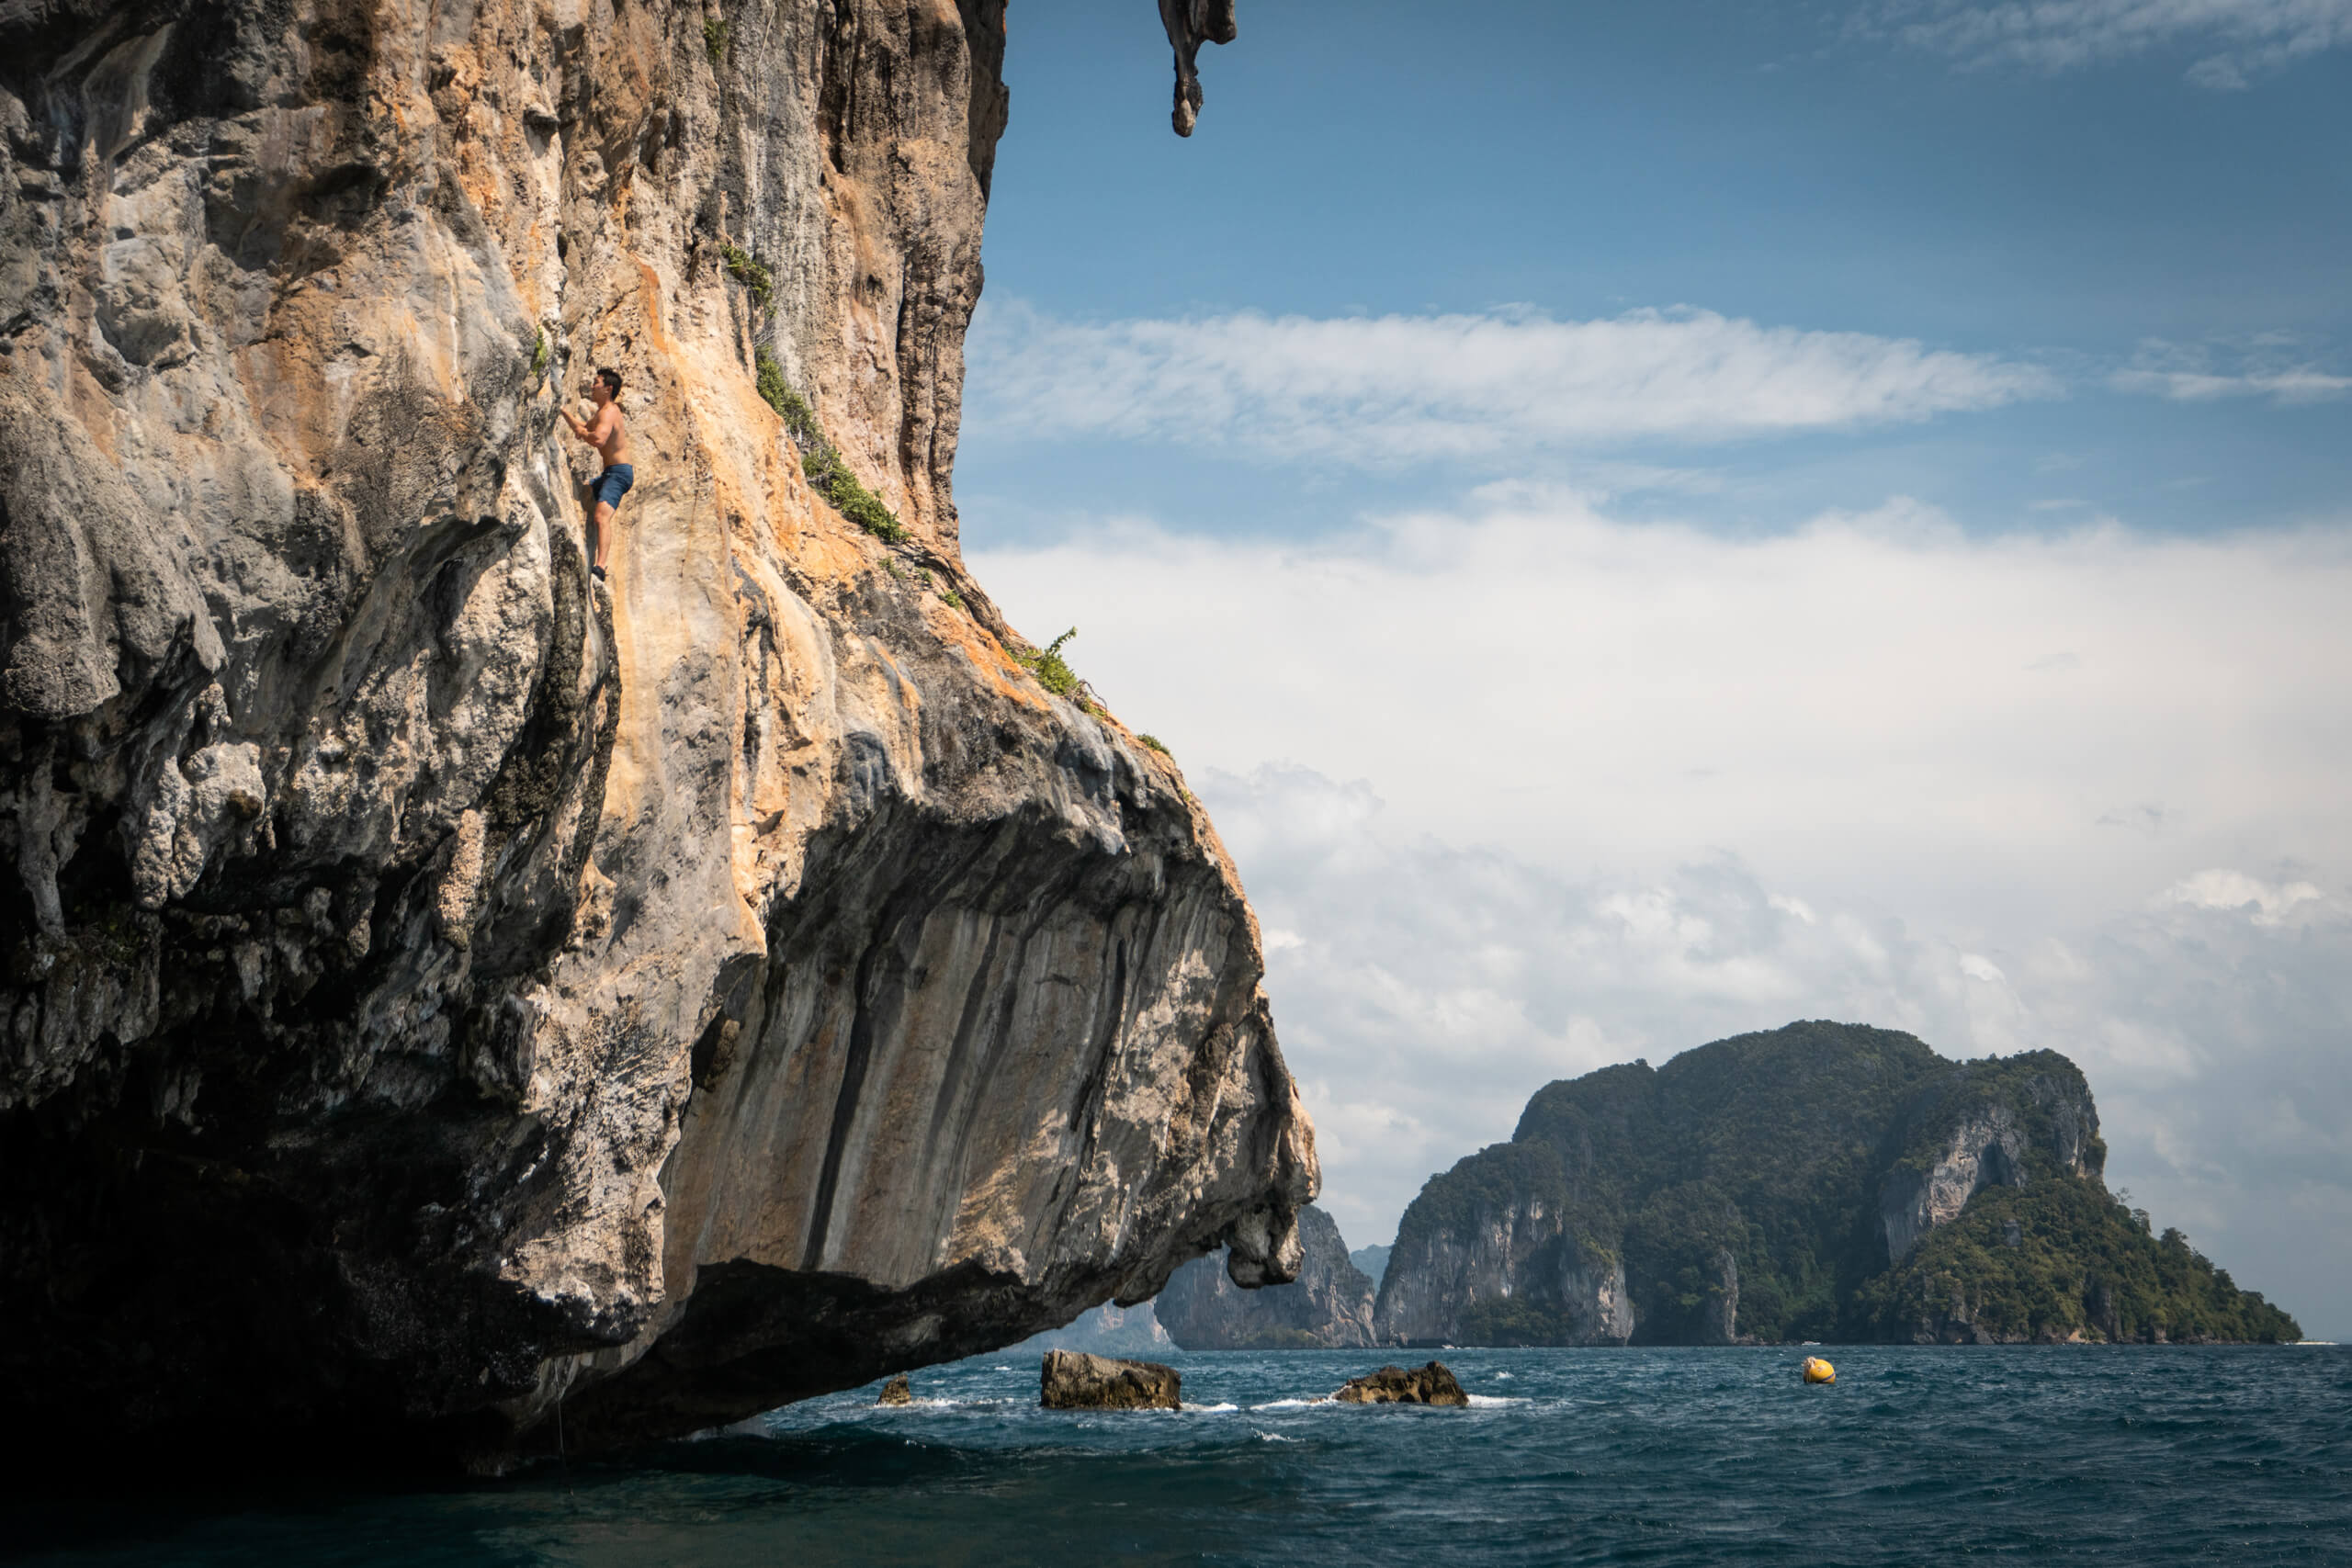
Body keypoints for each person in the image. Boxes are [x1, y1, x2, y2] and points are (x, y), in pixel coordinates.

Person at [560, 367, 632, 581]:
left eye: (596, 382)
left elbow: (598, 439)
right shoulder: (602, 413)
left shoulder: (609, 412)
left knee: (601, 517)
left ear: (608, 389)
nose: (592, 386)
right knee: (586, 492)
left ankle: (600, 567)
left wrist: (583, 433)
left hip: (619, 474)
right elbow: (582, 427)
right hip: (610, 473)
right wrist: (564, 413)